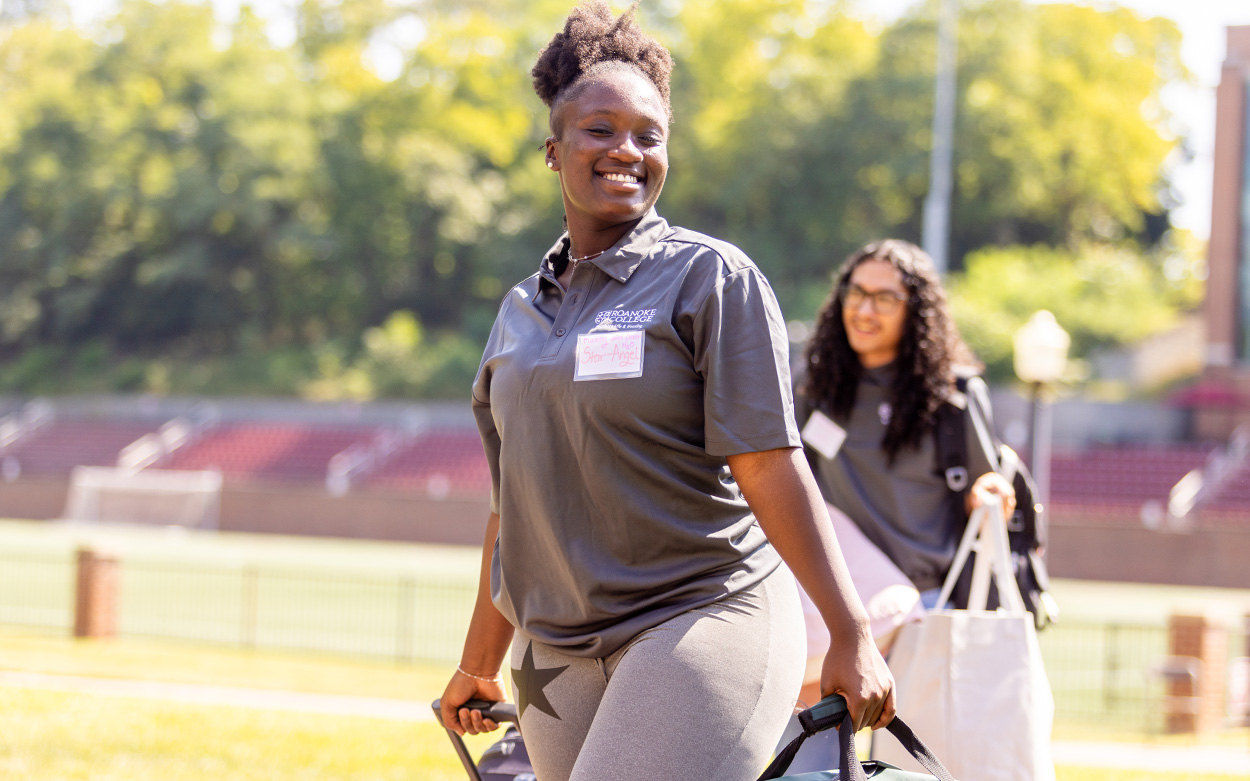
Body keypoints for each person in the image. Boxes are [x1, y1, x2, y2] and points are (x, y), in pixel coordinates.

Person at [437, 4, 894, 780]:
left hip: (700, 615)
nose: (627, 150)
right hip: (557, 650)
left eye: (649, 136)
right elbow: (509, 508)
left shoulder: (711, 279)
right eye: (600, 130)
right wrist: (478, 660)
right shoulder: (518, 313)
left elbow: (771, 464)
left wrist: (849, 631)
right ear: (554, 151)